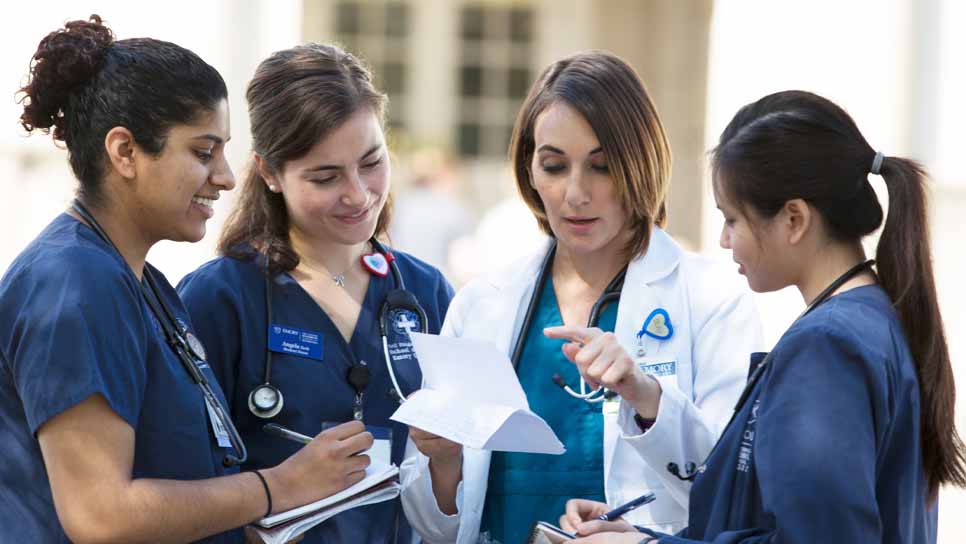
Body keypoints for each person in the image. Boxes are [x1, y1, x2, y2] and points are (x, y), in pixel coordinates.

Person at [0, 16, 376, 543]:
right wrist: (279, 486)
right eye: (203, 153)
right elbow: (102, 516)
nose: (225, 177)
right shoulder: (74, 285)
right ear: (125, 152)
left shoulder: (142, 283)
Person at [558, 90, 966, 543]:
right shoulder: (872, 320)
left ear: (794, 220)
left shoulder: (827, 347)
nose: (723, 240)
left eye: (733, 219)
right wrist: (645, 533)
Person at [399, 50, 761, 544]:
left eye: (602, 167)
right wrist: (443, 461)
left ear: (641, 164)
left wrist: (646, 394)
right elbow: (432, 526)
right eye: (554, 165)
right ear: (529, 170)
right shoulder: (481, 304)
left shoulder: (712, 299)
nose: (575, 194)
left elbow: (731, 492)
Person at [177, 43, 454, 543]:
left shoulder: (427, 294)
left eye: (371, 162)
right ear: (268, 173)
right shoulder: (220, 301)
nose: (358, 193)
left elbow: (463, 495)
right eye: (325, 177)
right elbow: (183, 486)